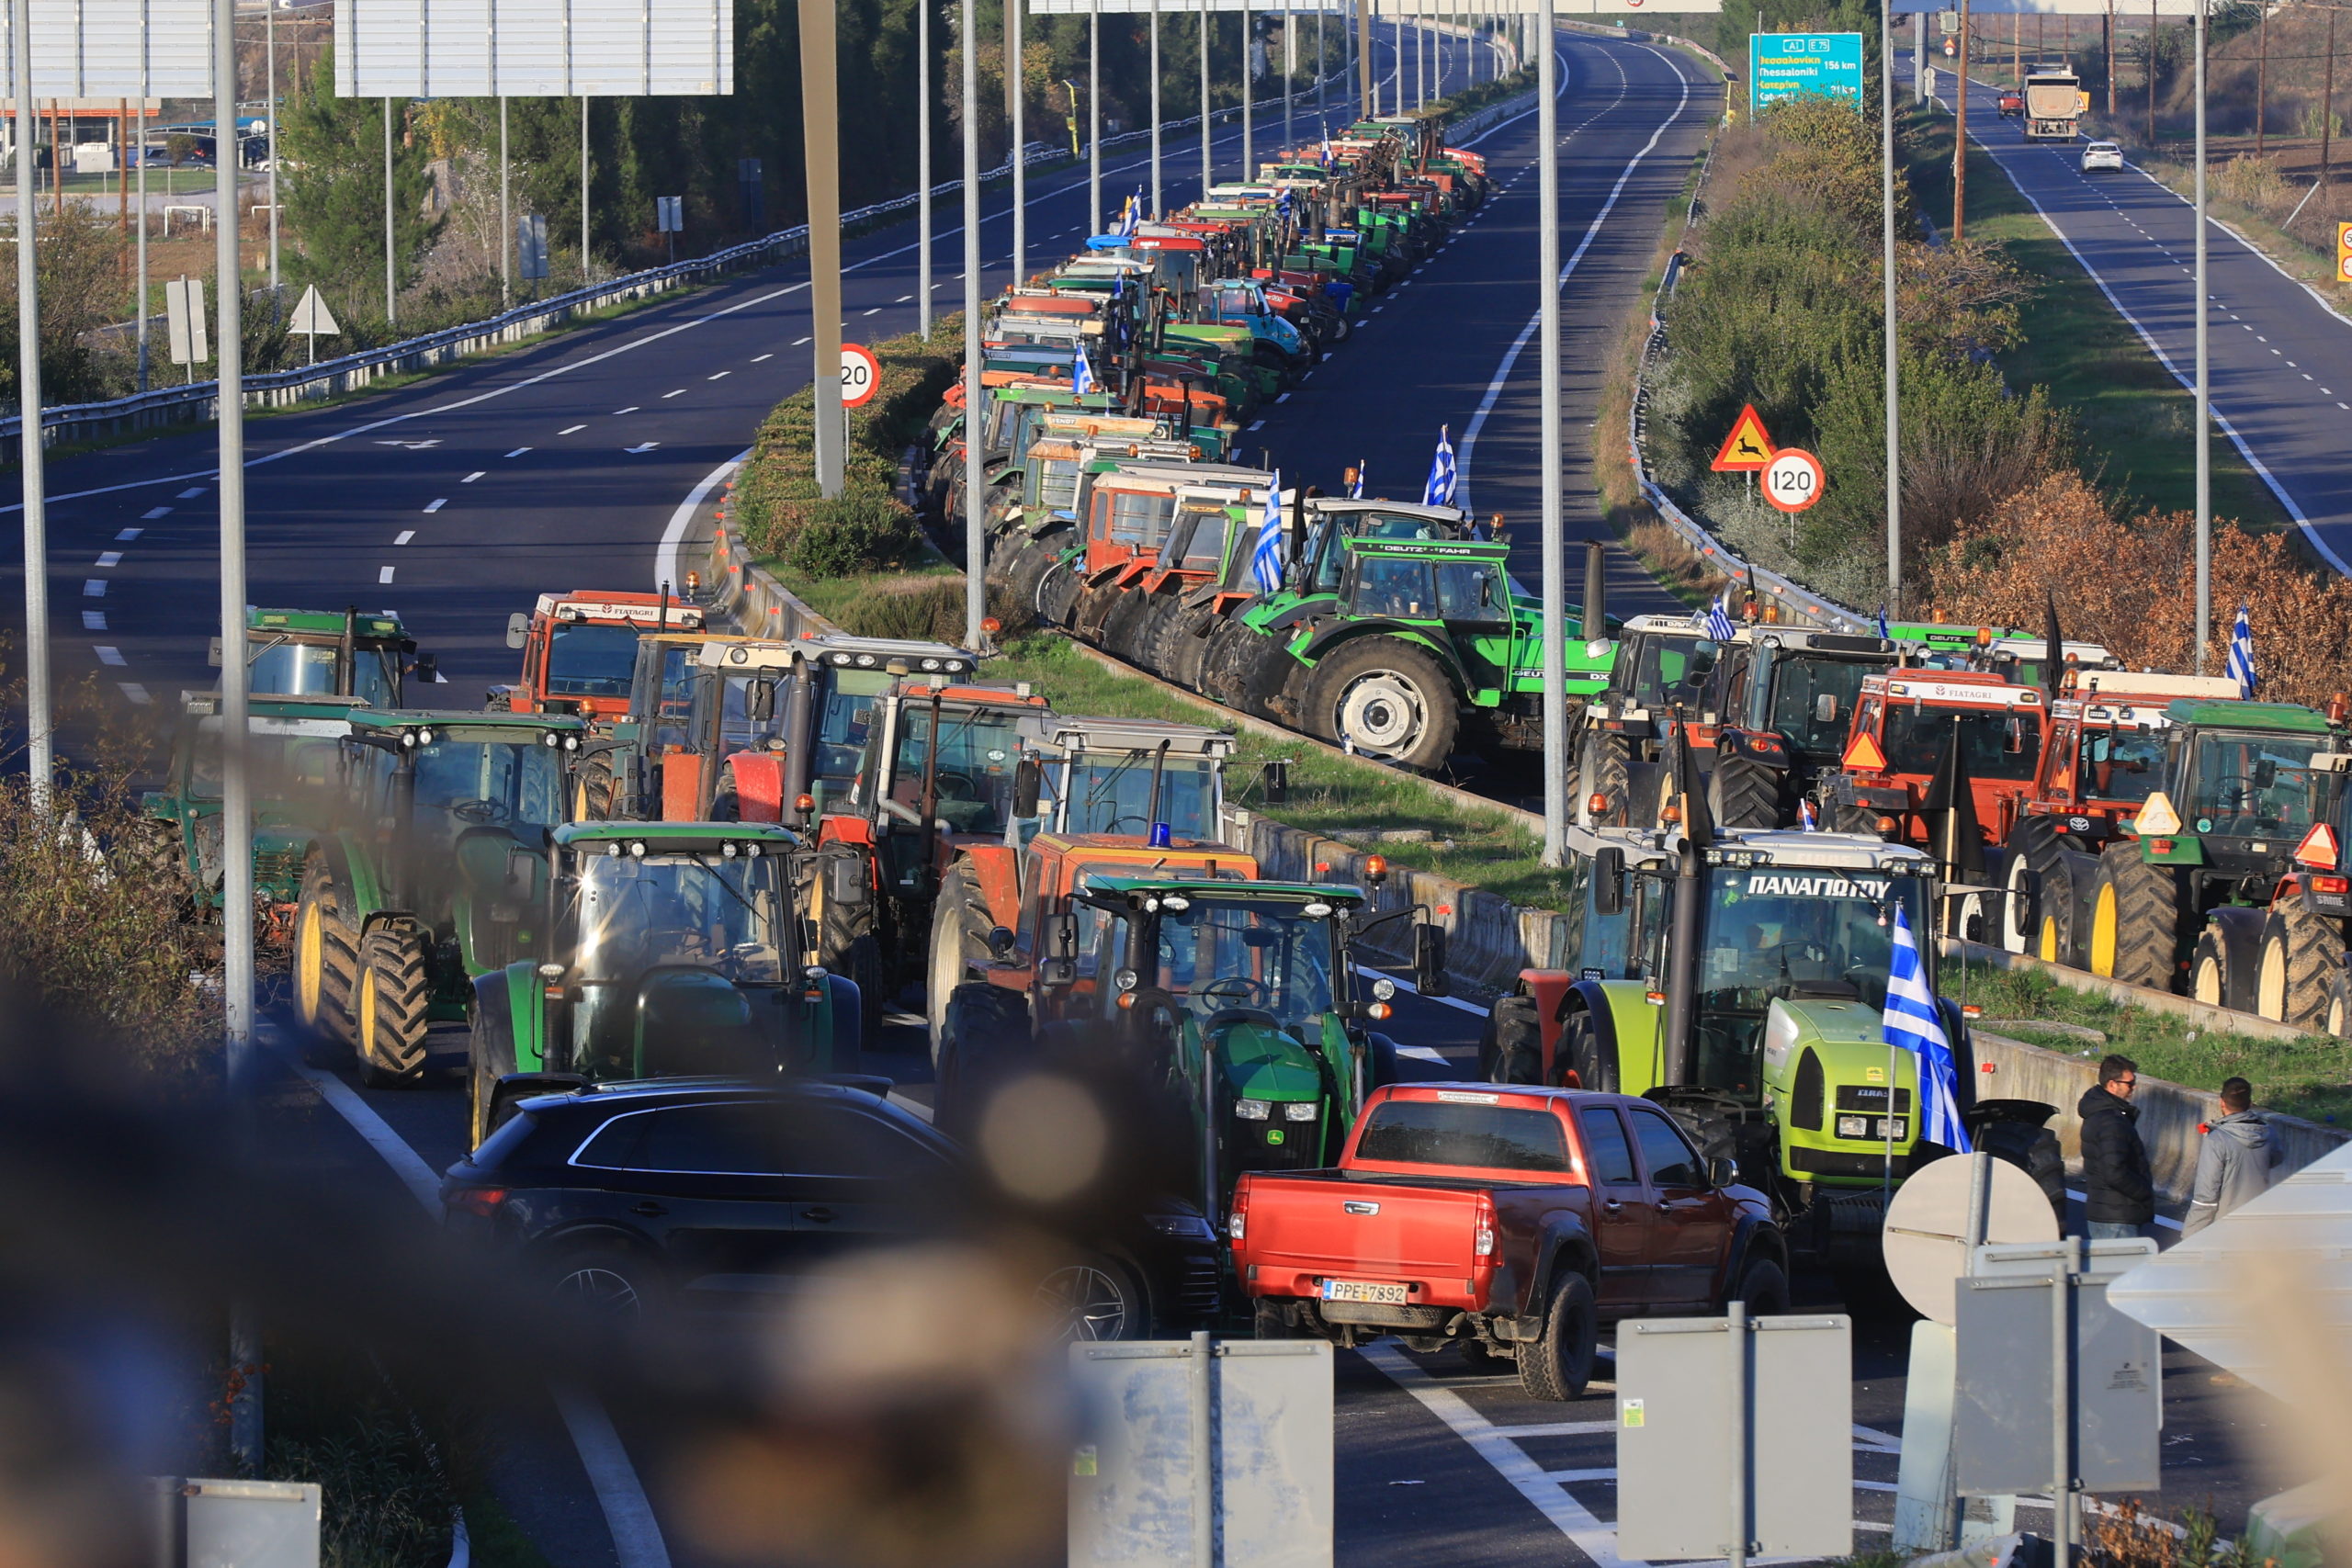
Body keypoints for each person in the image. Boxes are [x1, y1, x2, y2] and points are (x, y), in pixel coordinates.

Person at [2182, 1077, 2281, 1237]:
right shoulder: (2269, 1133)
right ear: (2249, 1103)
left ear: (2222, 1102)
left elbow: (2206, 1195)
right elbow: (2277, 1159)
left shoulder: (2217, 1140)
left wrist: (2191, 1234)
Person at [2077, 1054, 2155, 1240]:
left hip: (2106, 1212)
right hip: (2117, 1217)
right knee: (2124, 1269)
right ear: (2113, 1085)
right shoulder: (2112, 1122)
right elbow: (2114, 1172)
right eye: (2129, 1083)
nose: (2133, 1088)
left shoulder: (2098, 1114)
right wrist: (2143, 1191)